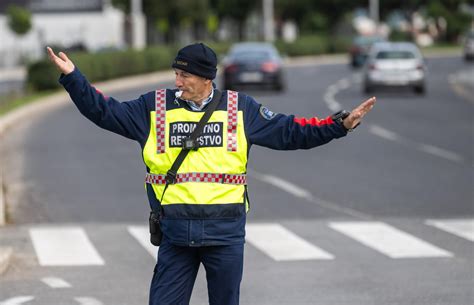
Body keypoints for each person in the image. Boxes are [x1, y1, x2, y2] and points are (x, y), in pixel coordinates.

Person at [47, 43, 375, 305]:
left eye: (184, 75)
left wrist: (339, 125)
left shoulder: (239, 108)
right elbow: (105, 111)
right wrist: (73, 77)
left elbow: (291, 132)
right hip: (176, 234)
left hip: (225, 234)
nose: (177, 81)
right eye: (176, 73)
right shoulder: (154, 107)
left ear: (206, 78)